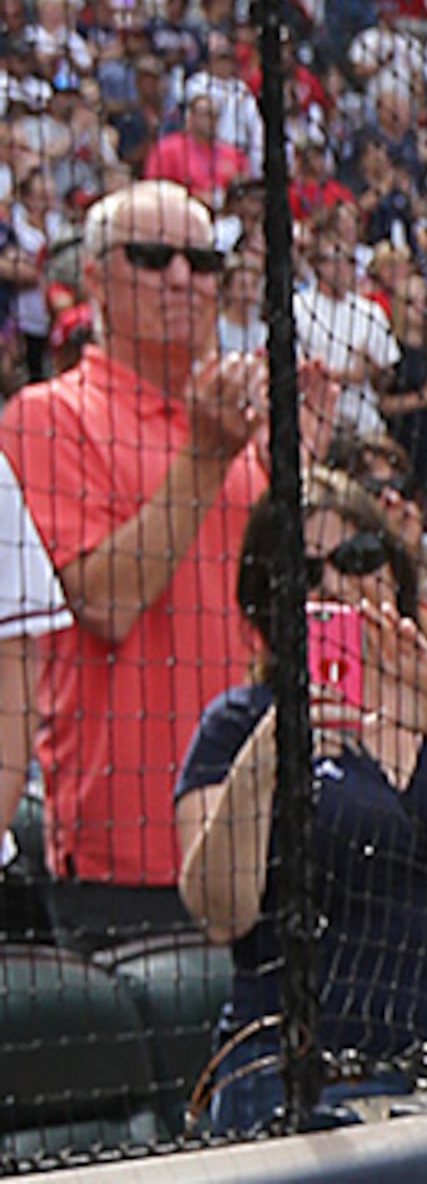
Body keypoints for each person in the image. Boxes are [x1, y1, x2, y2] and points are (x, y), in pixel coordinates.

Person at [174, 474, 427, 1130]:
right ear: (267, 602)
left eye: (357, 559)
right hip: (304, 1093)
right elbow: (219, 911)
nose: (333, 584)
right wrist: (274, 742)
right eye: (304, 572)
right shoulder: (237, 724)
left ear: (395, 574)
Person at [15, 181, 273, 947]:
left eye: (201, 261)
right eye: (153, 257)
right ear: (94, 277)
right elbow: (105, 601)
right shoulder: (48, 416)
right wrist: (204, 453)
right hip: (126, 858)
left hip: (257, 845)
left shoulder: (242, 429)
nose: (182, 279)